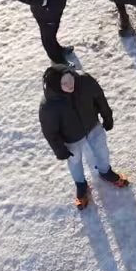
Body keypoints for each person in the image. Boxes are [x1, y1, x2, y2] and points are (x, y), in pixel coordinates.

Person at [40, 64, 129, 207]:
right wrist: (59, 149)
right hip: (72, 138)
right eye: (64, 83)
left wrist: (107, 116)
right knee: (75, 161)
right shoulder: (49, 105)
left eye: (71, 79)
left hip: (93, 125)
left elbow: (99, 97)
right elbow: (50, 131)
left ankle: (105, 171)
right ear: (56, 85)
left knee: (102, 150)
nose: (70, 85)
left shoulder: (84, 81)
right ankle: (81, 185)